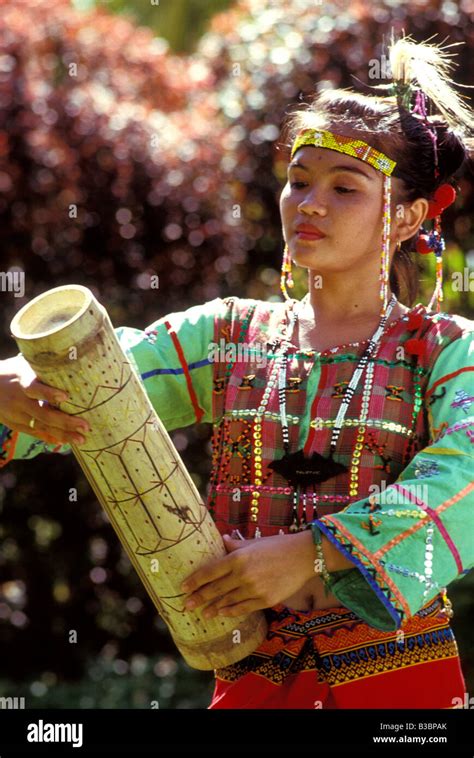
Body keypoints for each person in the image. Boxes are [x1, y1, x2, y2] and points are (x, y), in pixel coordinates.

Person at [1, 35, 473, 709]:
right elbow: (100, 384)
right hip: (251, 679)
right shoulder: (225, 336)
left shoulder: (447, 350)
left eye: (345, 188)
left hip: (402, 688)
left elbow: (467, 468)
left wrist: (315, 552)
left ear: (408, 215)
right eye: (299, 180)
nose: (308, 204)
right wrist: (13, 388)